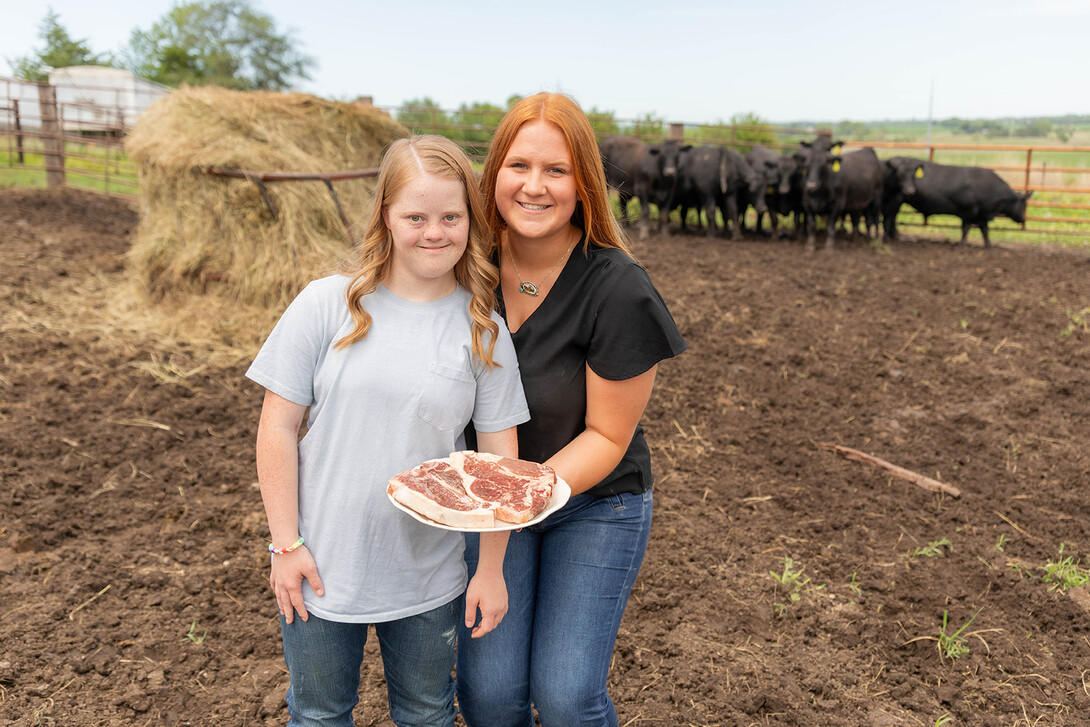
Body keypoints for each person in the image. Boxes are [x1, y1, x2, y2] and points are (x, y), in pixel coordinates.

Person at [247, 135, 530, 727]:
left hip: (428, 574)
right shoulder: (328, 304)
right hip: (321, 568)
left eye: (451, 216)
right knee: (319, 715)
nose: (435, 231)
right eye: (416, 216)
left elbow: (501, 464)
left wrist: (490, 569)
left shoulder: (484, 330)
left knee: (426, 713)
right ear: (386, 216)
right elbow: (277, 427)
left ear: (470, 221)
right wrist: (285, 545)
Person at [456, 93, 688, 726]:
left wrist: (519, 497)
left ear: (584, 184)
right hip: (489, 505)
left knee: (563, 696)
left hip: (592, 503)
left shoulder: (618, 288)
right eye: (519, 166)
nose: (535, 186)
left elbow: (608, 437)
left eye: (556, 171)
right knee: (489, 697)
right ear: (493, 175)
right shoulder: (461, 268)